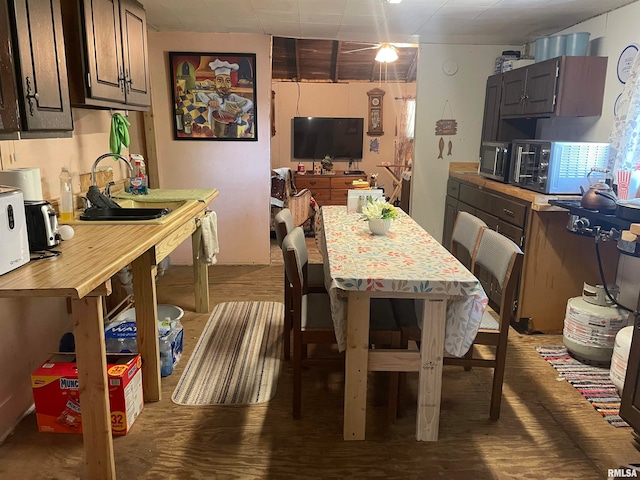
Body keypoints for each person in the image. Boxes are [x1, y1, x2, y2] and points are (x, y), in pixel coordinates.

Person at [196, 59, 254, 138]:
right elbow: (200, 94)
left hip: (232, 129)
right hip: (215, 129)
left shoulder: (233, 97)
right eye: (220, 80)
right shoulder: (212, 96)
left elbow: (250, 103)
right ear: (215, 82)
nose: (224, 85)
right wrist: (209, 101)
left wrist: (241, 109)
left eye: (227, 81)